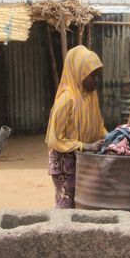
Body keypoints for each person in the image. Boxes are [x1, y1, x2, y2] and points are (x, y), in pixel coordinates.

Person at [45, 45, 107, 209]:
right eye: (93, 75)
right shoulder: (67, 100)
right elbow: (55, 139)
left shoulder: (91, 96)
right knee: (67, 203)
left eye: (98, 75)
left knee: (84, 203)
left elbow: (99, 126)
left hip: (85, 158)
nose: (97, 80)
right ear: (79, 73)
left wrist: (112, 137)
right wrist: (85, 146)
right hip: (66, 162)